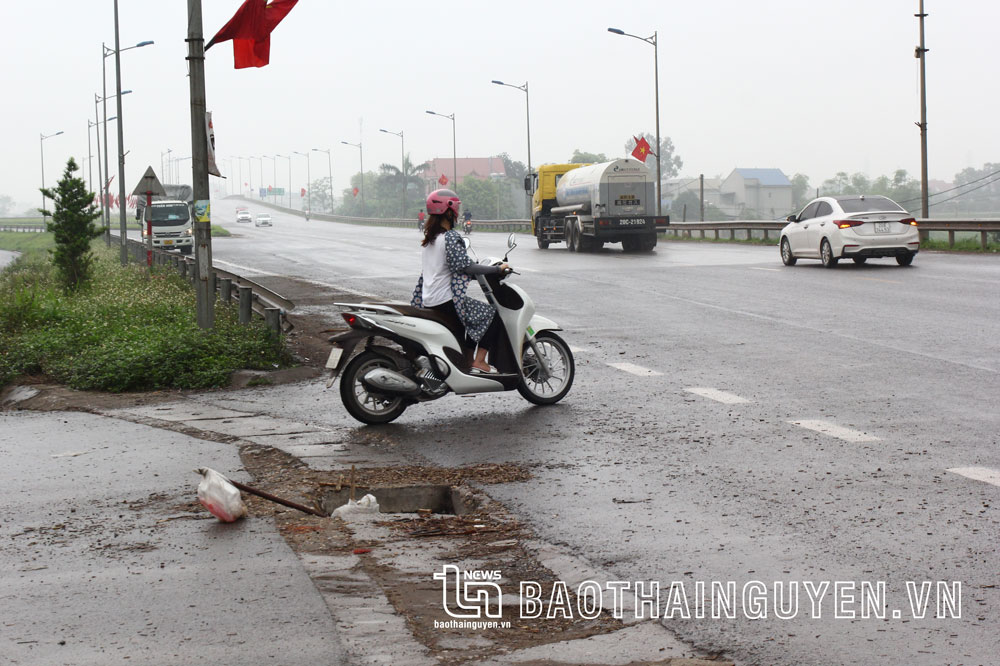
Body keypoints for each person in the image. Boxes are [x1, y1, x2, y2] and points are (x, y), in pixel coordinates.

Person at [411, 189, 509, 373]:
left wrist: (475, 272)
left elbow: (451, 268)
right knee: (492, 315)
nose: (457, 212)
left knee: (472, 317)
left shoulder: (430, 240)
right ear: (449, 210)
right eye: (456, 208)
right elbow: (466, 266)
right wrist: (496, 269)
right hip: (445, 299)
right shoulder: (450, 237)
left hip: (429, 299)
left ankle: (468, 362)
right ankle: (479, 361)